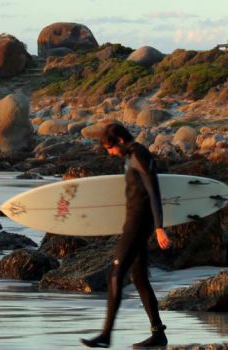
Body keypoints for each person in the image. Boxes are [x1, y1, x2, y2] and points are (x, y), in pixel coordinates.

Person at [81, 124, 171, 348]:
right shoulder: (131, 155)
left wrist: (159, 227)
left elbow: (154, 191)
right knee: (139, 278)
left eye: (110, 148)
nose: (110, 153)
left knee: (115, 273)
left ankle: (106, 335)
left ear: (120, 139)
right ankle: (158, 333)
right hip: (133, 222)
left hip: (139, 223)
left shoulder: (139, 154)